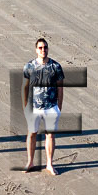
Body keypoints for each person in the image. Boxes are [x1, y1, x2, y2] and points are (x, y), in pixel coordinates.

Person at [22, 37, 63, 174]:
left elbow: (60, 88)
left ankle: (49, 164)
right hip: (33, 107)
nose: (43, 50)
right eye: (40, 47)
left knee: (50, 135)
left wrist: (59, 106)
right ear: (36, 50)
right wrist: (25, 105)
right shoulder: (29, 66)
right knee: (32, 133)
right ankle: (30, 162)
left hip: (51, 106)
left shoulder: (55, 66)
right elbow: (25, 86)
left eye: (45, 47)